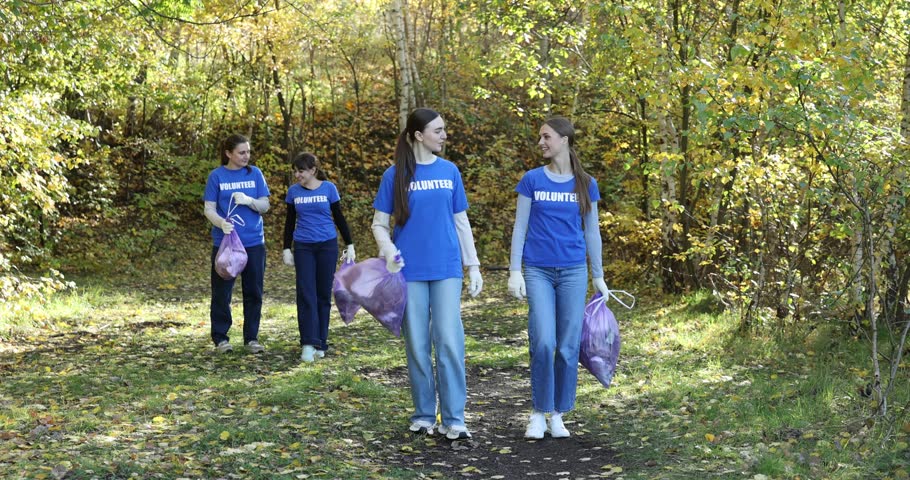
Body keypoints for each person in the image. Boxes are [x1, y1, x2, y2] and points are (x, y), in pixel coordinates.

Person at [371, 108, 483, 440]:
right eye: (438, 130)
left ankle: (455, 418)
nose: (444, 135)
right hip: (410, 271)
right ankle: (423, 413)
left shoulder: (450, 171)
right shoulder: (394, 175)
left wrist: (473, 264)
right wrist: (388, 249)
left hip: (447, 268)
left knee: (448, 340)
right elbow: (379, 224)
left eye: (444, 129)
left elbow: (461, 222)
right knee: (418, 344)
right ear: (419, 135)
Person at [507, 117, 610, 439]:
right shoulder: (532, 180)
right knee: (543, 341)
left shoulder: (585, 183)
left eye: (546, 137)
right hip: (537, 269)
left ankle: (558, 413)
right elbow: (520, 228)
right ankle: (538, 412)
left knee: (566, 347)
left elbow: (592, 233)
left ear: (564, 140)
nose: (541, 142)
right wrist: (514, 271)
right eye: (540, 137)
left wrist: (599, 277)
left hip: (573, 271)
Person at [281, 152, 355, 362]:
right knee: (306, 293)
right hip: (303, 246)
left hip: (327, 246)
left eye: (301, 171)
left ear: (313, 170)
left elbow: (339, 217)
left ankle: (321, 342)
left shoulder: (329, 188)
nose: (297, 175)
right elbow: (289, 222)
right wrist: (287, 248)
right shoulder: (293, 192)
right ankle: (307, 343)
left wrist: (349, 244)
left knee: (323, 294)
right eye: (295, 171)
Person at [203, 134, 272, 354]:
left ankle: (251, 338)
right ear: (228, 153)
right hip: (226, 245)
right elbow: (209, 208)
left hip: (254, 242)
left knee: (254, 292)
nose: (246, 156)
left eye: (248, 152)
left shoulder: (255, 174)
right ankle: (221, 338)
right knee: (222, 292)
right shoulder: (217, 177)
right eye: (242, 152)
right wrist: (220, 222)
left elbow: (265, 205)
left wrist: (250, 201)